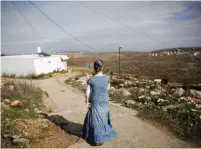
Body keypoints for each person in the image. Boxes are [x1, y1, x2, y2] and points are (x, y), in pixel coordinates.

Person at [81, 60, 117, 146]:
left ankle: (97, 139)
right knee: (103, 117)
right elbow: (108, 88)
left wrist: (86, 102)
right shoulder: (107, 78)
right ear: (102, 68)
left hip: (95, 101)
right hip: (104, 101)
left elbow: (87, 93)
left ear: (94, 68)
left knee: (96, 119)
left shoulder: (91, 80)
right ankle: (103, 134)